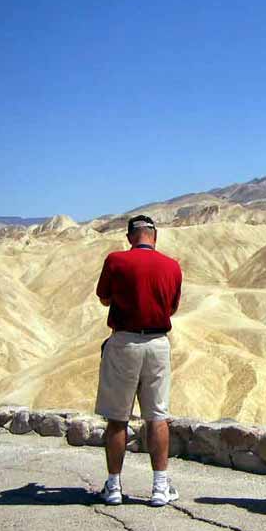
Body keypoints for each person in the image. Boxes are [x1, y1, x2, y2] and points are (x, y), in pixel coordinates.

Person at [94, 214, 183, 507]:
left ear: (131, 237)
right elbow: (171, 307)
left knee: (118, 419)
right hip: (157, 344)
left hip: (124, 342)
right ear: (154, 236)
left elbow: (104, 299)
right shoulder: (172, 266)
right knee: (157, 415)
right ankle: (159, 487)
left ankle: (114, 486)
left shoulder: (115, 261)